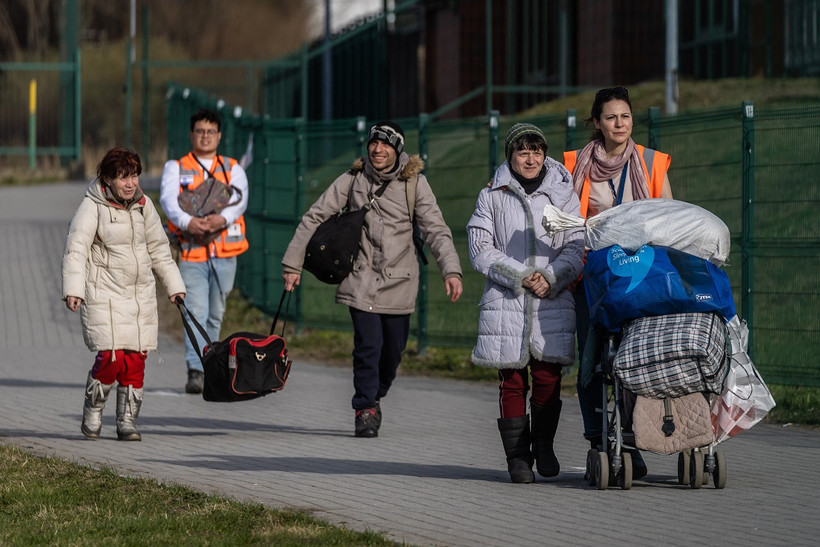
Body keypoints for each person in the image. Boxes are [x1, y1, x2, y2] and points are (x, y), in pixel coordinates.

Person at [281, 121, 464, 438]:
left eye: (386, 145)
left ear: (398, 149)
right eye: (373, 144)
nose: (378, 150)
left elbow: (436, 230)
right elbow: (315, 216)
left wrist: (451, 269)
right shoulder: (352, 179)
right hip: (361, 277)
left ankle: (375, 393)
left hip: (400, 281)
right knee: (368, 346)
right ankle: (364, 408)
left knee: (391, 354)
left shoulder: (414, 184)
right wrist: (293, 263)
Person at [563, 86, 673, 478]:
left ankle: (631, 439)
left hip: (640, 276)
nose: (619, 124)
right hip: (591, 276)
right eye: (611, 117)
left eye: (625, 116)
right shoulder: (575, 165)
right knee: (592, 360)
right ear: (597, 122)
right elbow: (564, 219)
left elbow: (667, 219)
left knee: (634, 360)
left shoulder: (648, 161)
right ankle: (599, 437)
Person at [467, 123, 585, 483]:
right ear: (510, 156)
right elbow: (480, 249)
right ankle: (517, 457)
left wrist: (550, 277)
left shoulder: (563, 195)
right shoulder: (491, 195)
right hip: (507, 301)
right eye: (523, 151)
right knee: (513, 381)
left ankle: (544, 444)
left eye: (537, 150)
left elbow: (577, 245)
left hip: (552, 299)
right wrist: (522, 275)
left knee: (549, 377)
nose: (530, 158)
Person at [62, 147, 186, 441]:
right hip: (103, 292)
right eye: (122, 177)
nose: (130, 183)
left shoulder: (145, 206)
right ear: (107, 179)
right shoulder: (92, 206)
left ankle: (127, 421)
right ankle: (94, 409)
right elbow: (76, 249)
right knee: (111, 358)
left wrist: (175, 286)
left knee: (135, 361)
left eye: (134, 176)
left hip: (139, 294)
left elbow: (159, 249)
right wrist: (73, 290)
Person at [160, 108, 250, 394]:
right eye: (200, 131)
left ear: (219, 135)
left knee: (216, 314)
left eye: (211, 131)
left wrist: (222, 219)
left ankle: (211, 365)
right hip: (191, 252)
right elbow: (168, 201)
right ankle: (196, 370)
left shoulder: (232, 168)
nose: (205, 136)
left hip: (225, 254)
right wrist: (190, 222)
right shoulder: (176, 167)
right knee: (194, 312)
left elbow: (241, 199)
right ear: (191, 134)